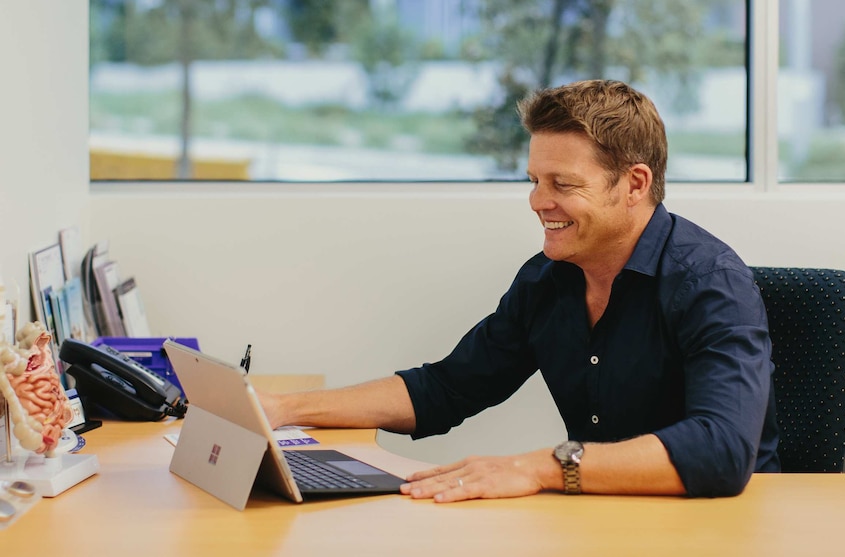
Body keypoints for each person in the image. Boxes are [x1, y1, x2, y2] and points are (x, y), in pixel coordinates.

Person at [258, 79, 780, 502]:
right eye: (533, 180)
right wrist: (283, 408)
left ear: (635, 184)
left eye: (562, 184)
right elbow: (446, 388)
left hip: (717, 530)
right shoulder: (549, 279)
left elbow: (723, 451)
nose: (537, 201)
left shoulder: (710, 281)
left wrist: (542, 466)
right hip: (604, 519)